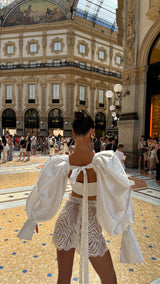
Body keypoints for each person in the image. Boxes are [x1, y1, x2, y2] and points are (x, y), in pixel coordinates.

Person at [17, 111, 143, 284]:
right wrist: (122, 222)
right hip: (90, 223)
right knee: (109, 279)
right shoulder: (104, 161)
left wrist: (35, 217)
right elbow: (121, 191)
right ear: (92, 131)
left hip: (66, 219)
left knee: (63, 279)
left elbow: (44, 190)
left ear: (74, 133)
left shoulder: (63, 162)